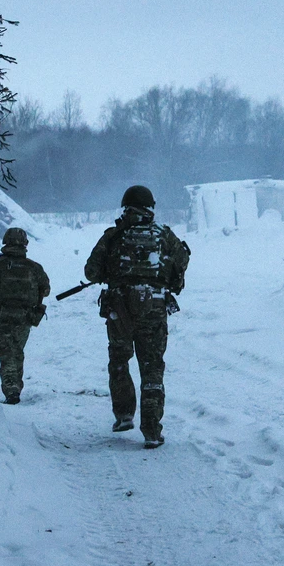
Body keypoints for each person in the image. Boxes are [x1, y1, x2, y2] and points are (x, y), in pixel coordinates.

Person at [84, 185, 190, 448]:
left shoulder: (114, 235)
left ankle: (123, 416)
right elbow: (180, 268)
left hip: (119, 309)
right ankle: (152, 431)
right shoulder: (165, 235)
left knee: (119, 360)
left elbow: (91, 272)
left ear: (126, 207)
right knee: (152, 366)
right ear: (150, 208)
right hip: (153, 308)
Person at [0, 227, 50, 405]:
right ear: (25, 244)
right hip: (25, 317)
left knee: (6, 353)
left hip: (0, 316)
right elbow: (45, 289)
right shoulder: (34, 267)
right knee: (17, 352)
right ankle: (15, 387)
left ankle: (11, 389)